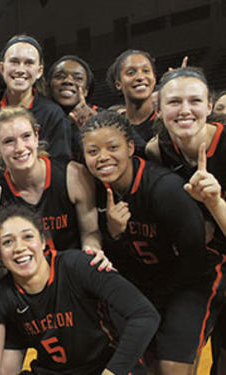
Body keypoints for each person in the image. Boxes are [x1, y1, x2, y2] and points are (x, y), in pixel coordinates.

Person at [82, 110, 224, 374]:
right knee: (141, 359)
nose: (103, 157)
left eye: (112, 147)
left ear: (130, 147)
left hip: (192, 280)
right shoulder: (95, 189)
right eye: (93, 151)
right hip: (147, 281)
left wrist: (158, 299)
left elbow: (194, 258)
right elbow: (119, 258)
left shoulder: (164, 189)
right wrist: (115, 233)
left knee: (171, 366)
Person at [0, 204, 160, 375]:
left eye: (28, 237)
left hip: (106, 367)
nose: (19, 248)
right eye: (8, 242)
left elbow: (145, 316)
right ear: (0, 254)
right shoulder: (3, 295)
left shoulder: (78, 266)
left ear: (44, 242)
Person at [145, 67, 226, 375]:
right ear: (159, 108)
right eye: (174, 102)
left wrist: (214, 202)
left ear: (209, 106)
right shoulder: (157, 151)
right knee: (172, 365)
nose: (184, 110)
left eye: (194, 101)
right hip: (197, 266)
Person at [0, 107, 103, 257]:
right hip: (23, 273)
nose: (20, 148)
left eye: (26, 136)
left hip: (72, 269)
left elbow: (90, 232)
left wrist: (91, 249)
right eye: (9, 141)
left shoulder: (74, 175)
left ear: (36, 137)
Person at [0, 34, 72, 160]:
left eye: (29, 63)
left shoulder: (52, 115)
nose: (20, 69)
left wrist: (2, 128)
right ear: (2, 68)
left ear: (39, 71)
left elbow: (59, 165)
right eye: (14, 62)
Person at [106, 50, 157, 153]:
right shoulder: (111, 125)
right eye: (131, 73)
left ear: (154, 78)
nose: (140, 77)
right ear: (118, 84)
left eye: (146, 71)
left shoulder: (165, 119)